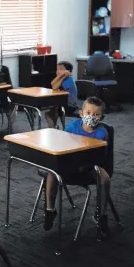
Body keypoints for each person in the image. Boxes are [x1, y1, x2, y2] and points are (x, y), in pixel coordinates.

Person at [44, 96, 112, 237]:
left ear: (102, 117)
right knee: (51, 173)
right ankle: (50, 210)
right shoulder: (72, 127)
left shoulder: (102, 133)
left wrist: (85, 165)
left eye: (96, 114)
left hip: (91, 166)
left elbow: (99, 157)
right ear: (81, 113)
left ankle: (101, 215)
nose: (91, 117)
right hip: (70, 164)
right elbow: (63, 145)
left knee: (104, 178)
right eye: (88, 113)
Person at [45, 61, 78, 128]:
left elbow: (54, 87)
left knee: (53, 110)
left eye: (61, 69)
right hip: (63, 103)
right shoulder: (63, 79)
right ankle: (54, 126)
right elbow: (52, 83)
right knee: (52, 110)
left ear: (68, 71)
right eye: (57, 69)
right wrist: (61, 76)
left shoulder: (69, 79)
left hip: (71, 105)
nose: (58, 71)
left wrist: (62, 77)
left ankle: (54, 126)